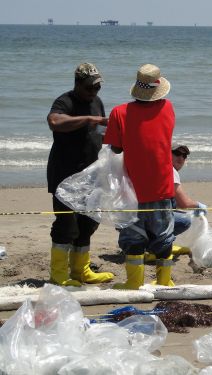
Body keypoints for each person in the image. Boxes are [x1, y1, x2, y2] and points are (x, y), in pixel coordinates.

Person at [104, 63, 176, 289]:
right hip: (162, 185)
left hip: (132, 188)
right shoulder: (168, 108)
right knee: (164, 236)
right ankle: (165, 282)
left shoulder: (119, 113)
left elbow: (115, 148)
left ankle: (134, 283)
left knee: (132, 236)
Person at [46, 62, 114, 287]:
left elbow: (100, 134)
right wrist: (88, 119)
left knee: (88, 223)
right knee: (67, 224)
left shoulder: (97, 102)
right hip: (65, 174)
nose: (94, 92)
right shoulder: (65, 101)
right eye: (89, 88)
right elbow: (54, 122)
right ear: (77, 84)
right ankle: (58, 274)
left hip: (91, 174)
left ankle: (81, 271)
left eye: (97, 88)